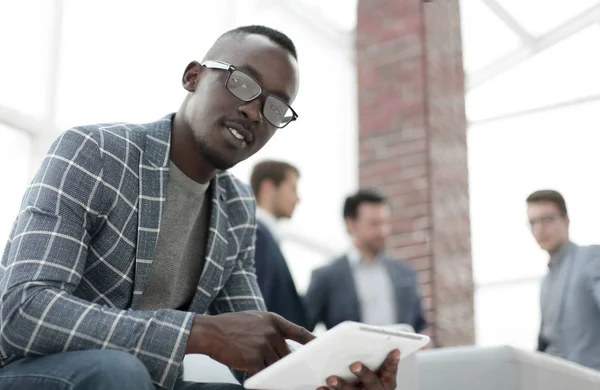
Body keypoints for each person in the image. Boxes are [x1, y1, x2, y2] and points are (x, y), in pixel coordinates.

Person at [0, 25, 402, 390]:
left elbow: (261, 360)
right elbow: (22, 311)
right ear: (193, 77)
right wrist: (200, 333)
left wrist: (333, 380)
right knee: (118, 372)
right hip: (28, 371)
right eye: (242, 83)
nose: (253, 111)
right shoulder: (95, 154)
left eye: (275, 108)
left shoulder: (237, 209)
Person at [305, 189, 428, 336]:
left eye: (385, 223)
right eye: (374, 224)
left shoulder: (405, 272)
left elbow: (421, 326)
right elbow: (303, 330)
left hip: (403, 358)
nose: (382, 231)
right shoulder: (327, 277)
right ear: (350, 225)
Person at [527, 190, 600, 370]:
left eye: (547, 220)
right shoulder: (545, 283)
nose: (540, 229)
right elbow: (545, 343)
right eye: (533, 222)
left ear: (565, 221)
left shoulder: (590, 258)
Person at [250, 160, 307, 328]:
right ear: (268, 188)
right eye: (292, 189)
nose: (298, 199)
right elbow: (258, 311)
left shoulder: (267, 237)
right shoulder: (257, 236)